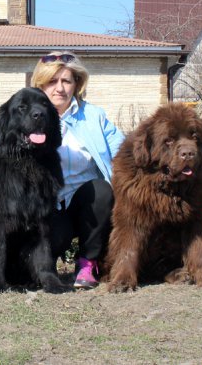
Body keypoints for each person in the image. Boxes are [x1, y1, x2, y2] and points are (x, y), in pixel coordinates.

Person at [30, 51, 125, 290]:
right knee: (42, 255)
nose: (59, 88)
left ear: (76, 85)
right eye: (52, 81)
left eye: (66, 81)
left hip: (86, 202)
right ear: (40, 85)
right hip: (49, 207)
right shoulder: (29, 118)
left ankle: (87, 263)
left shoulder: (94, 116)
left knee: (101, 190)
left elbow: (124, 152)